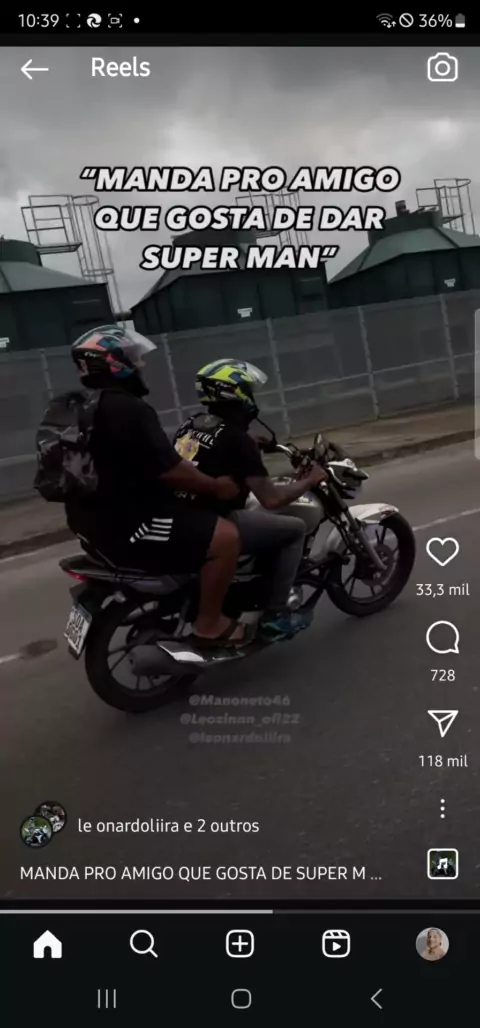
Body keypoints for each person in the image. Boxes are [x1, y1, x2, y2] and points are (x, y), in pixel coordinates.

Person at [66, 326, 248, 647]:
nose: (141, 365)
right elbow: (171, 470)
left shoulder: (76, 406)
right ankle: (210, 625)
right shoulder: (128, 409)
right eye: (134, 359)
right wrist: (216, 486)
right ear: (114, 364)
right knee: (227, 538)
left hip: (87, 523)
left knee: (194, 522)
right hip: (132, 524)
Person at [173, 358, 327, 637]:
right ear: (235, 393)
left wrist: (248, 441)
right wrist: (309, 480)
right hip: (215, 519)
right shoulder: (237, 439)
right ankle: (276, 614)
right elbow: (272, 499)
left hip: (182, 512)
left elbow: (212, 449)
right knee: (294, 529)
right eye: (248, 390)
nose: (252, 398)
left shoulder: (192, 424)